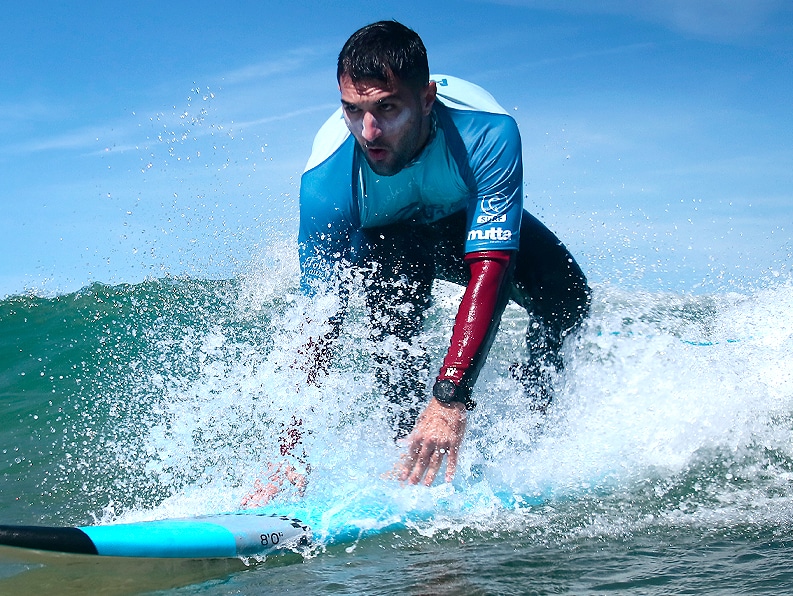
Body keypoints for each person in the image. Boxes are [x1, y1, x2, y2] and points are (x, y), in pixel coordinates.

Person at [242, 21, 590, 506]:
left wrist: (450, 397)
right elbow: (321, 324)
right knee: (394, 324)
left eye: (387, 107)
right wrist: (288, 452)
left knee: (568, 296)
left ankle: (526, 429)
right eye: (353, 110)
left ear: (426, 99)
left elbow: (491, 265)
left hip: (457, 222)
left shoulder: (486, 131)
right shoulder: (327, 181)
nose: (369, 131)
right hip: (387, 241)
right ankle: (408, 458)